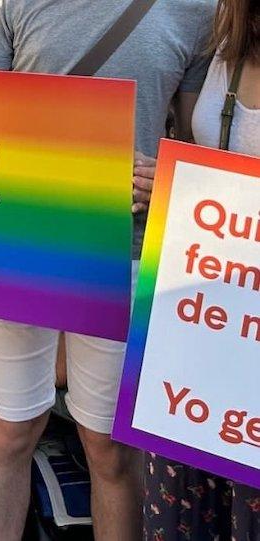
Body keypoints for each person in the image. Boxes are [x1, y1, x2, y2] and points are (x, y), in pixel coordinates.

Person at [0, 1, 216, 539]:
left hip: (122, 249)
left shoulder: (196, 9)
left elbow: (199, 138)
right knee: (9, 430)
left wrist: (170, 175)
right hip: (21, 239)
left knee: (108, 447)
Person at [144, 0, 260, 539]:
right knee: (185, 500)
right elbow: (207, 152)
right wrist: (167, 176)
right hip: (203, 317)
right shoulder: (227, 40)